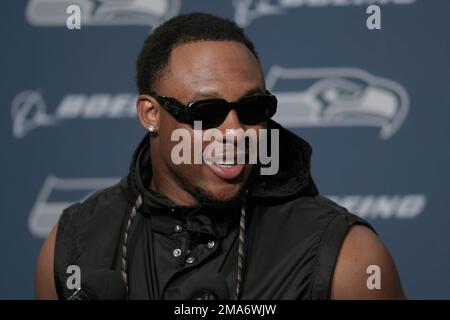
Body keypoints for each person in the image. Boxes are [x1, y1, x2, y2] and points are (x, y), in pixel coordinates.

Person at [35, 12, 405, 300]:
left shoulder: (346, 255)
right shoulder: (72, 244)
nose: (233, 132)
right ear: (151, 114)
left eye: (253, 107)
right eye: (205, 113)